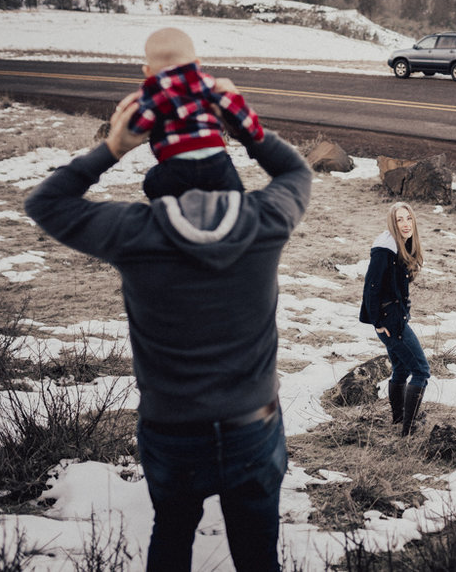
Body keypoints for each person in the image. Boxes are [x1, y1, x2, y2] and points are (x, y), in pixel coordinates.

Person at [24, 84, 311, 572]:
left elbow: (45, 204)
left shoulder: (136, 230)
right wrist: (248, 127)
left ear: (159, 183)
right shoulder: (264, 220)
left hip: (172, 430)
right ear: (229, 180)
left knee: (172, 537)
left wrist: (114, 146)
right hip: (253, 427)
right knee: (259, 553)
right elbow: (296, 170)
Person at [131, 27, 264, 200]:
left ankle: (168, 218)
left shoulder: (150, 93)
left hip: (174, 166)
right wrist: (255, 132)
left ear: (148, 71)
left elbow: (137, 126)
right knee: (234, 193)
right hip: (216, 162)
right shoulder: (207, 83)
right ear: (198, 63)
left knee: (151, 183)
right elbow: (236, 109)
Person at [359, 201, 430, 436]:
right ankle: (407, 431)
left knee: (400, 368)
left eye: (408, 218)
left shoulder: (402, 245)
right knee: (421, 370)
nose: (405, 224)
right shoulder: (384, 248)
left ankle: (399, 421)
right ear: (393, 222)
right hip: (390, 320)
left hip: (395, 316)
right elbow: (371, 287)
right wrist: (378, 323)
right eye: (400, 219)